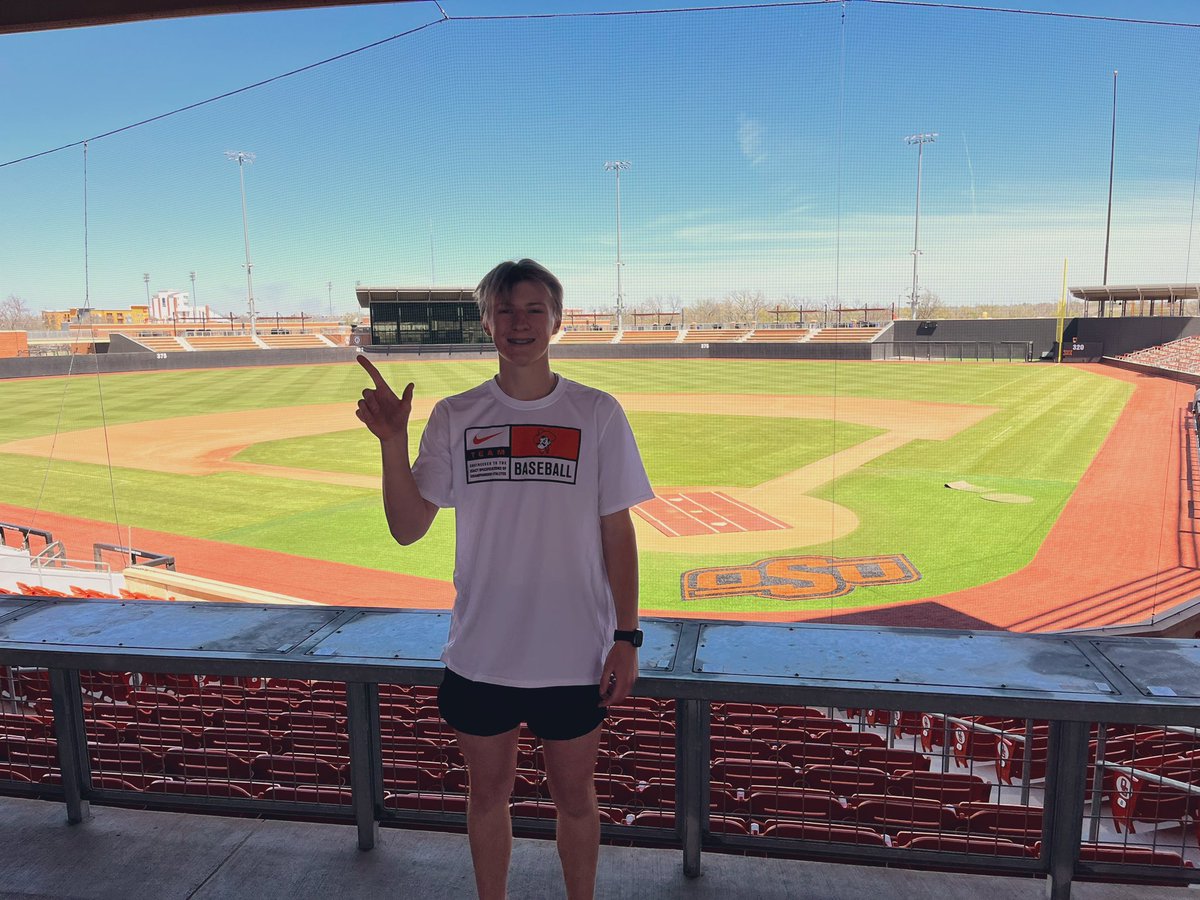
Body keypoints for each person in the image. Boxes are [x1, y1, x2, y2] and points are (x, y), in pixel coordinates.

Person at [355, 258, 653, 900]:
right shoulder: (456, 415)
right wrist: (391, 442)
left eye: (534, 309)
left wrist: (627, 637)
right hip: (482, 654)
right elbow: (407, 527)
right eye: (506, 310)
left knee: (576, 799)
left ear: (557, 320)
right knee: (487, 795)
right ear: (488, 323)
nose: (520, 322)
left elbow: (618, 532)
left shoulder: (597, 412)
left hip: (575, 656)